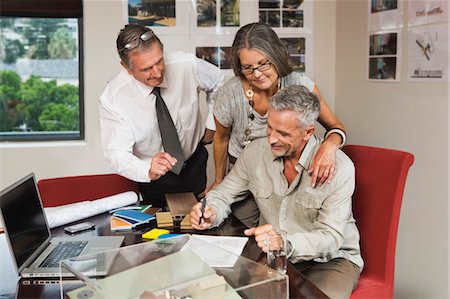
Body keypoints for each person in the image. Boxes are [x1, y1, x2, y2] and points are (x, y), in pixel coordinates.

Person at [191, 85, 362, 299]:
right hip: (272, 255)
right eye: (270, 128)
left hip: (329, 262)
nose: (271, 138)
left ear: (308, 132)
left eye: (283, 133)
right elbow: (223, 194)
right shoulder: (254, 152)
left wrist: (284, 243)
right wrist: (211, 212)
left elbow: (330, 238)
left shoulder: (339, 168)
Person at [210, 22, 347, 227]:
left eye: (263, 63)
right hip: (244, 171)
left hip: (285, 171)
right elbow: (221, 138)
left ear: (276, 56)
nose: (256, 74)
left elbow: (336, 127)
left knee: (282, 232)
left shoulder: (301, 85)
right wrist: (219, 180)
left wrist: (329, 147)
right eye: (248, 68)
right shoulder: (229, 93)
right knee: (242, 233)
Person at [99, 24, 224, 208]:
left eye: (159, 61)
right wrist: (147, 169)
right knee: (158, 233)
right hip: (153, 178)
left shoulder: (186, 65)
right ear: (126, 67)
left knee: (201, 225)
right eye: (146, 69)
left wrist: (213, 123)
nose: (157, 73)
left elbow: (218, 81)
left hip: (193, 163)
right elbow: (117, 153)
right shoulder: (113, 98)